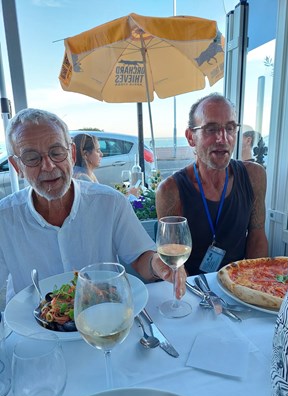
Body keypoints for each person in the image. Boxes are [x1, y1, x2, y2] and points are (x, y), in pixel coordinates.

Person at [0, 108, 186, 302]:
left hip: (103, 322)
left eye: (56, 152)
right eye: (32, 158)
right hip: (30, 326)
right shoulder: (4, 218)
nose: (48, 165)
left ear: (71, 154)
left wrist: (157, 263)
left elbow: (140, 258)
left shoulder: (110, 202)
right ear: (17, 167)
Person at [156, 94, 268, 276]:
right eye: (211, 129)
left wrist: (255, 286)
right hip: (193, 289)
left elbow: (257, 236)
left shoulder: (254, 175)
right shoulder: (171, 190)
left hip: (239, 285)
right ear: (191, 137)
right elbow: (172, 261)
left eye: (230, 128)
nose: (223, 138)